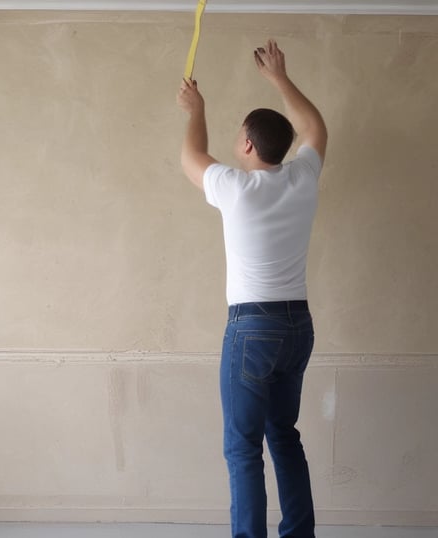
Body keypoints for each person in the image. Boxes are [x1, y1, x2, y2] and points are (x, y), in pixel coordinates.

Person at [177, 39, 327, 538]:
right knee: (284, 436)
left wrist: (196, 108)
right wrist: (280, 78)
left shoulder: (235, 189)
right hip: (297, 327)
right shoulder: (303, 178)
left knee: (243, 448)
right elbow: (315, 128)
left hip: (253, 330)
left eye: (239, 136)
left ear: (245, 145)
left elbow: (191, 155)